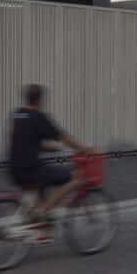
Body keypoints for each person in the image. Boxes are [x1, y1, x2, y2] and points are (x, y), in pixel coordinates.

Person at [9, 83, 96, 237]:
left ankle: (44, 231)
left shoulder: (18, 115)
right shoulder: (39, 117)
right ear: (40, 100)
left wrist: (53, 148)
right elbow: (65, 138)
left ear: (26, 98)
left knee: (43, 183)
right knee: (76, 177)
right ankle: (43, 211)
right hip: (31, 170)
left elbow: (25, 140)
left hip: (15, 169)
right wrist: (85, 149)